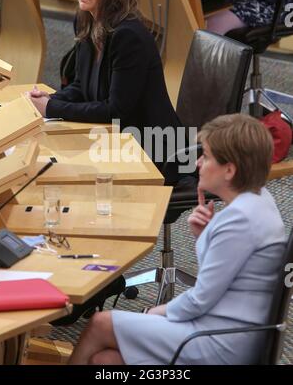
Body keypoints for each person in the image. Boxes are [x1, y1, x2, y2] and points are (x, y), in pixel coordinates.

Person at [68, 113, 287, 365]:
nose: (197, 163)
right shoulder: (260, 202)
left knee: (101, 323)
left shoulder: (240, 220)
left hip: (221, 341)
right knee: (106, 361)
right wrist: (204, 237)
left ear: (229, 170)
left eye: (206, 156)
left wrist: (151, 312)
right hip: (236, 331)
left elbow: (199, 300)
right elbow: (226, 278)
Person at [27, 0, 183, 183]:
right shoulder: (86, 21)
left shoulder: (129, 37)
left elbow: (116, 111)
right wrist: (49, 100)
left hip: (151, 147)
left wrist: (51, 109)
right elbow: (80, 86)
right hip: (113, 137)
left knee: (57, 172)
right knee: (41, 158)